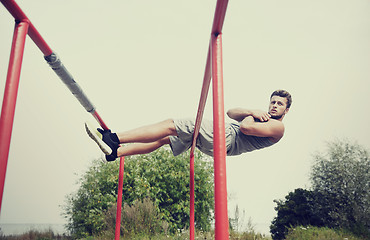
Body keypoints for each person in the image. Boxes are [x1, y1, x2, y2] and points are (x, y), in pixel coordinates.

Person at [85, 89, 292, 161]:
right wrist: (252, 111)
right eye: (272, 102)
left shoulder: (278, 128)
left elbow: (245, 128)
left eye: (279, 104)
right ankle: (116, 153)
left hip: (224, 137)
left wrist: (252, 115)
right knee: (165, 139)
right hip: (221, 142)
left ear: (286, 110)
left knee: (170, 124)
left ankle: (114, 139)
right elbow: (231, 112)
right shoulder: (260, 116)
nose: (274, 106)